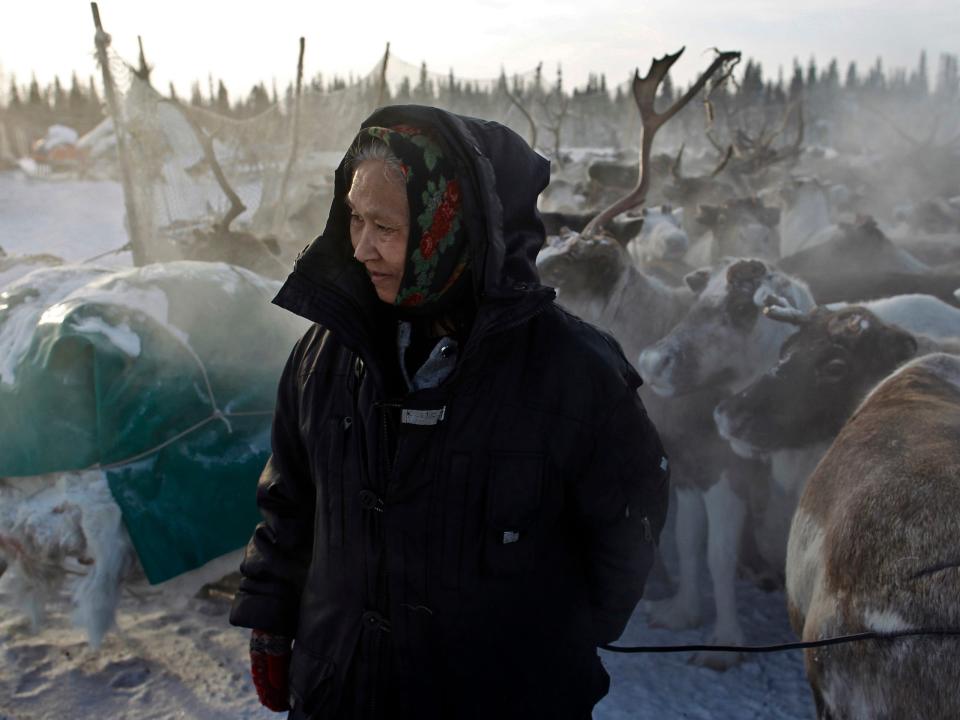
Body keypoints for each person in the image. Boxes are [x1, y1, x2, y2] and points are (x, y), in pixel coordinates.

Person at [230, 105, 670, 720]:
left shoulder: (574, 372)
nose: (360, 248)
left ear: (451, 226)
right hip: (343, 689)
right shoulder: (329, 353)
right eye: (355, 218)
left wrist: (553, 646)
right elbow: (289, 501)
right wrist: (271, 619)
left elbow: (627, 523)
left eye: (385, 226)